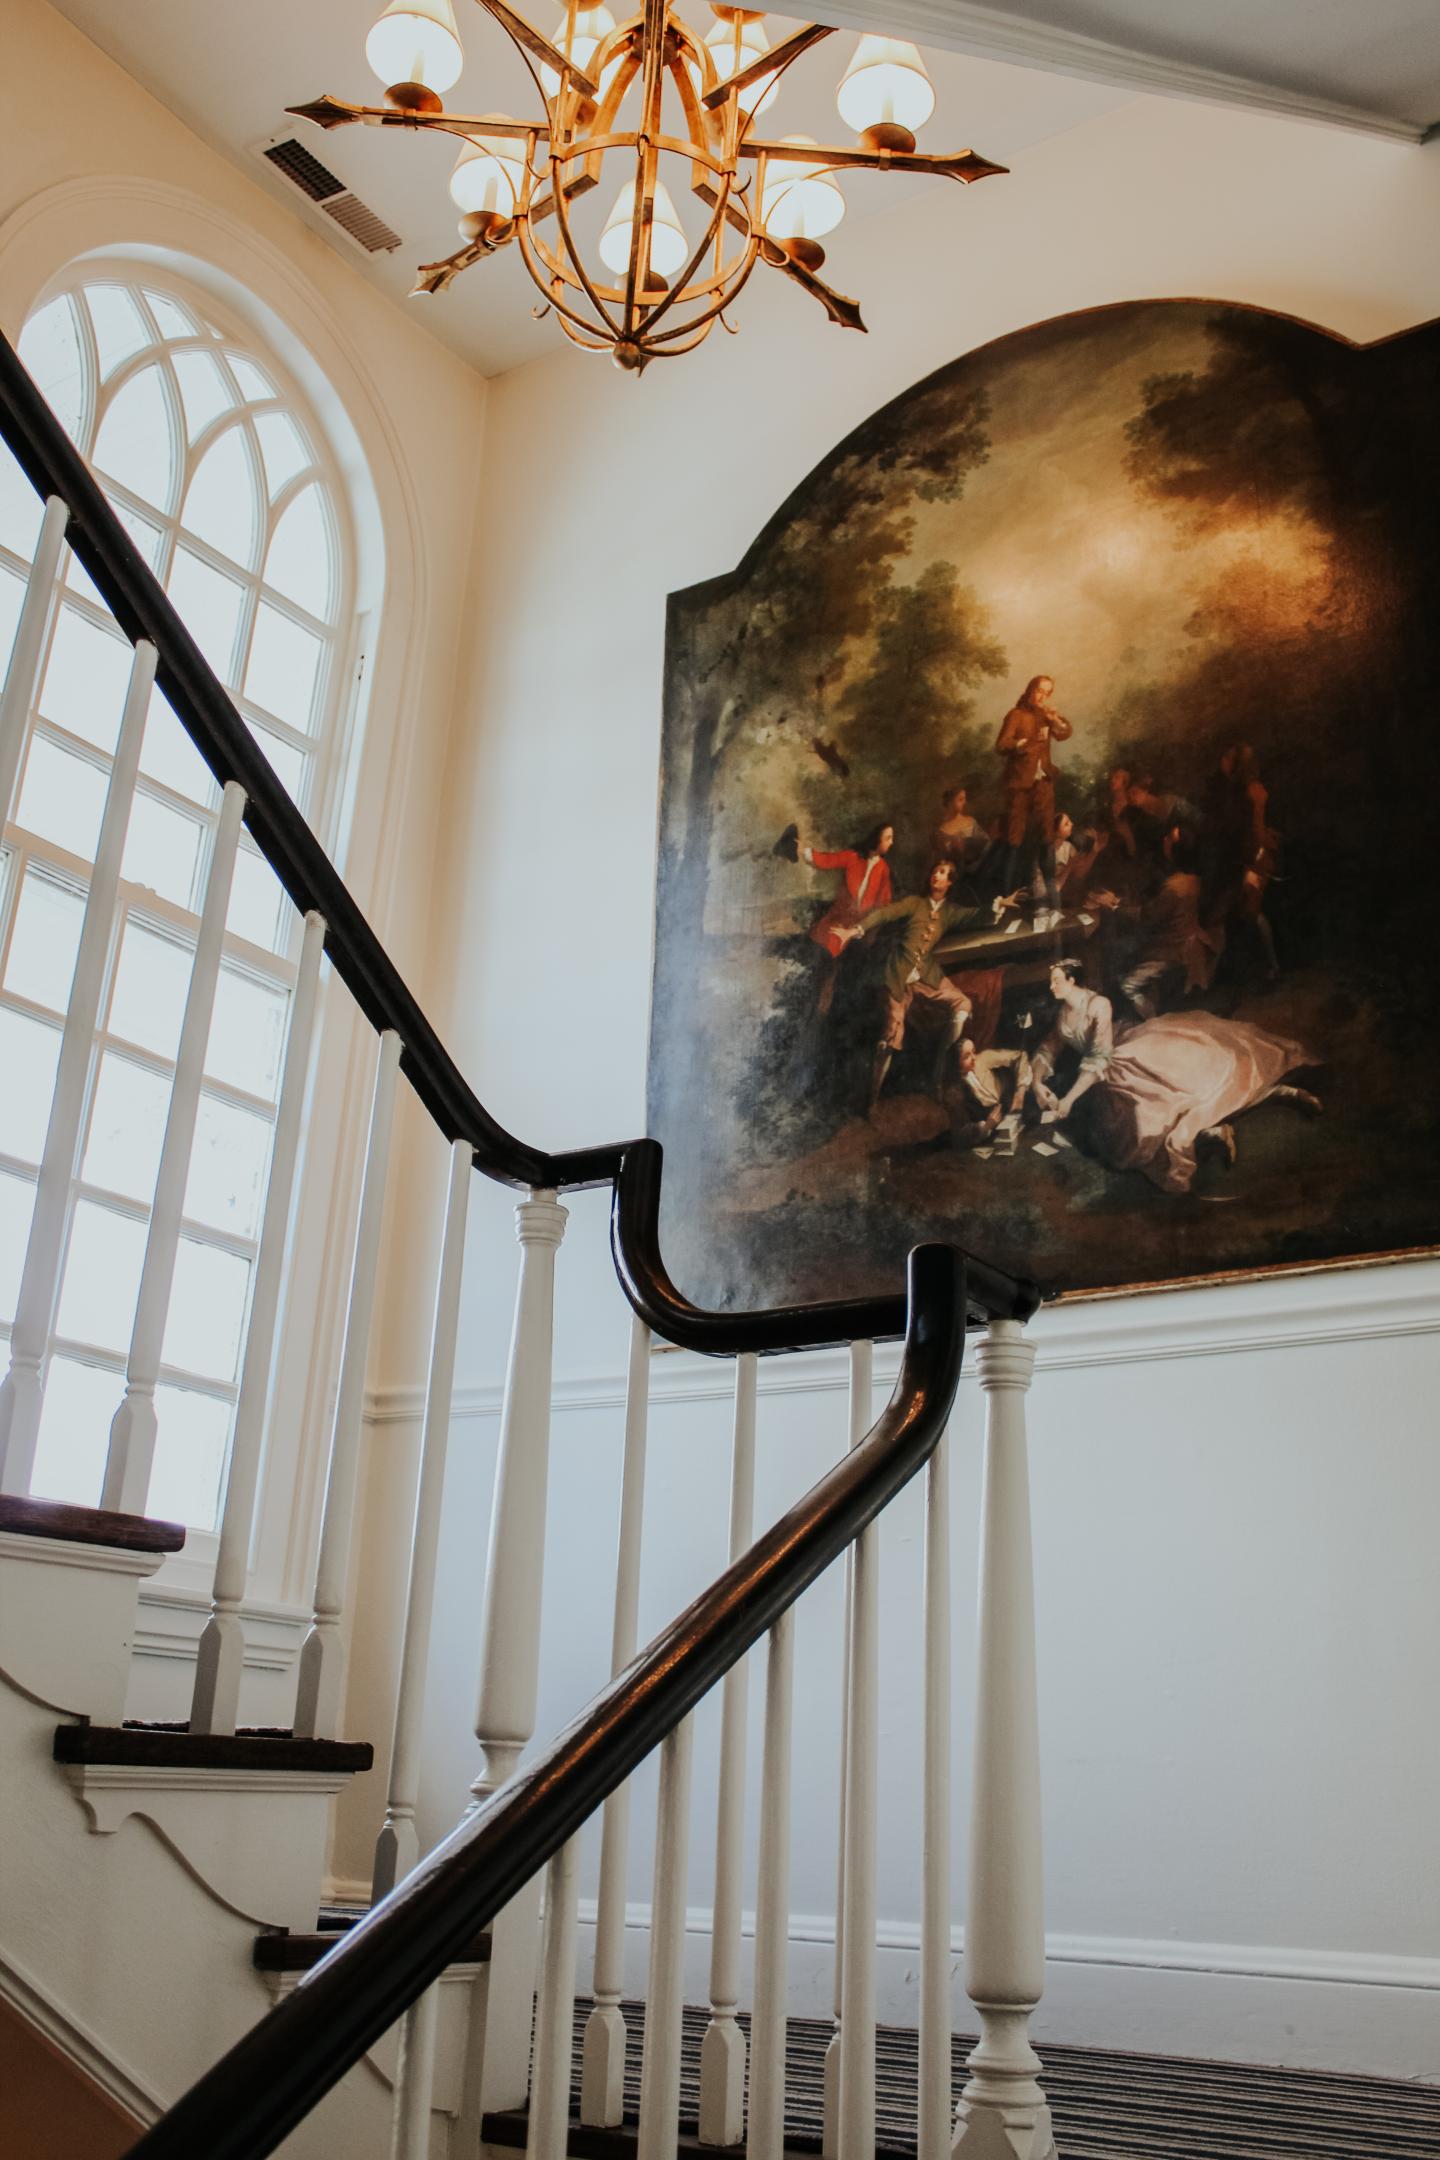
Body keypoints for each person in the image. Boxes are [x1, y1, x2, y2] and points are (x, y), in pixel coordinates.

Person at [1028, 959, 1316, 1193]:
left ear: (1072, 981)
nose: (1051, 986)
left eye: (1056, 980)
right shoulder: (1063, 1014)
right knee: (1126, 1144)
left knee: (1186, 1090)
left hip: (1122, 1054)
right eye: (1051, 981)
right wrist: (1038, 1081)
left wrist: (1068, 1100)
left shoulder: (1098, 1005)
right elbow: (1048, 1048)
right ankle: (1212, 1132)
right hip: (1101, 1079)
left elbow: (1099, 1058)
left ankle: (1270, 1094)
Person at [840, 859, 1017, 1113]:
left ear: (950, 882)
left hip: (925, 976)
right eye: (935, 871)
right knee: (888, 1038)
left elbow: (977, 916)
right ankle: (872, 1101)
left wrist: (999, 903)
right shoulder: (914, 903)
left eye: (943, 873)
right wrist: (856, 930)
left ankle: (937, 1077)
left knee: (963, 1004)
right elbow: (883, 913)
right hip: (898, 975)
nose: (936, 876)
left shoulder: (949, 912)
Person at [995, 674, 1073, 900]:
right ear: (1031, 690)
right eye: (1040, 691)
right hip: (1020, 785)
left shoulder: (1046, 717)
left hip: (1043, 785)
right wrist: (1023, 744)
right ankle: (1007, 899)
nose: (1043, 696)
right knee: (1014, 841)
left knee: (1047, 839)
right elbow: (1001, 745)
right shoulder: (1016, 715)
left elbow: (1065, 733)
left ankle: (1051, 897)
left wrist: (1056, 718)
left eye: (1048, 693)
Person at [801, 822, 894, 1013]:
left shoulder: (883, 869)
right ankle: (816, 1004)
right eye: (888, 838)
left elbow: (884, 904)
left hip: (860, 928)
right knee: (826, 956)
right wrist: (802, 849)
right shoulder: (852, 857)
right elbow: (826, 860)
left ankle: (831, 1009)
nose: (891, 843)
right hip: (838, 920)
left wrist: (869, 930)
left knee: (849, 971)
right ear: (877, 839)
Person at [951, 1038, 1032, 1147]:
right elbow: (958, 1136)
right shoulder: (956, 1091)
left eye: (974, 1052)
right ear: (956, 1063)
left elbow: (1020, 1056)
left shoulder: (983, 1059)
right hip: (990, 1138)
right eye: (966, 1057)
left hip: (1015, 1118)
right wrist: (986, 1127)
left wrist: (1020, 1093)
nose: (974, 1058)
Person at [930, 784, 992, 882]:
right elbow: (938, 860)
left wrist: (974, 866)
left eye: (964, 799)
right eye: (960, 799)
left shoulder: (970, 822)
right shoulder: (940, 831)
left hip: (976, 873)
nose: (964, 802)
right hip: (953, 878)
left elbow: (988, 845)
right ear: (950, 802)